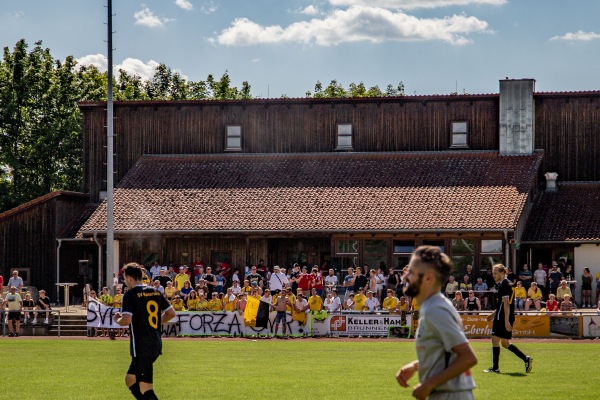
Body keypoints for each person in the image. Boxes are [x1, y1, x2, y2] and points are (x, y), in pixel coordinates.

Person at [396, 245, 477, 400]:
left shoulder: (436, 310)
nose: (405, 277)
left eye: (411, 272)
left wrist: (428, 384)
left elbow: (468, 357)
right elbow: (446, 353)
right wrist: (416, 366)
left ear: (428, 278)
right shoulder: (432, 306)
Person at [113, 262, 175, 400]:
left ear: (129, 278)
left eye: (124, 278)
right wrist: (156, 322)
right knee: (130, 379)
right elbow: (171, 313)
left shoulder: (130, 295)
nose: (124, 281)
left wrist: (117, 319)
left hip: (142, 346)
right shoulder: (155, 291)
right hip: (155, 342)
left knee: (146, 389)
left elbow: (126, 320)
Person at [484, 264, 532, 374]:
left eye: (495, 273)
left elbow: (506, 304)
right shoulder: (506, 283)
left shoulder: (504, 284)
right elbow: (503, 303)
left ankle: (495, 368)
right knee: (505, 343)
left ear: (502, 273)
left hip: (502, 317)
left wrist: (506, 321)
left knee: (495, 339)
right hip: (503, 315)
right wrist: (492, 314)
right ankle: (526, 359)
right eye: (493, 273)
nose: (493, 275)